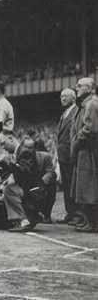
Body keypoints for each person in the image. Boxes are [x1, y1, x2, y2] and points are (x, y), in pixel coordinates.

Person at [3, 138, 56, 232]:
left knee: (51, 184)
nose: (27, 150)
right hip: (24, 189)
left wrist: (41, 183)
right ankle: (22, 219)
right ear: (22, 146)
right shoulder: (16, 158)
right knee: (8, 189)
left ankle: (42, 214)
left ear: (35, 148)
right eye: (26, 147)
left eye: (30, 147)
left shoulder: (44, 157)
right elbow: (15, 177)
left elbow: (51, 173)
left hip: (38, 189)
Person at [70, 77, 98, 232]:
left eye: (80, 86)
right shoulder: (86, 104)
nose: (77, 87)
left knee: (89, 187)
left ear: (89, 88)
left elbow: (90, 129)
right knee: (85, 186)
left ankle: (93, 223)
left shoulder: (91, 104)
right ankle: (89, 220)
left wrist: (77, 140)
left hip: (88, 150)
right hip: (85, 150)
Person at [56, 88, 78, 224]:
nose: (62, 98)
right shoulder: (64, 113)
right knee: (66, 185)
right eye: (61, 96)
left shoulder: (76, 112)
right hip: (63, 155)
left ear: (73, 98)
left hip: (70, 155)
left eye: (65, 96)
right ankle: (70, 213)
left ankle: (76, 214)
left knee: (72, 185)